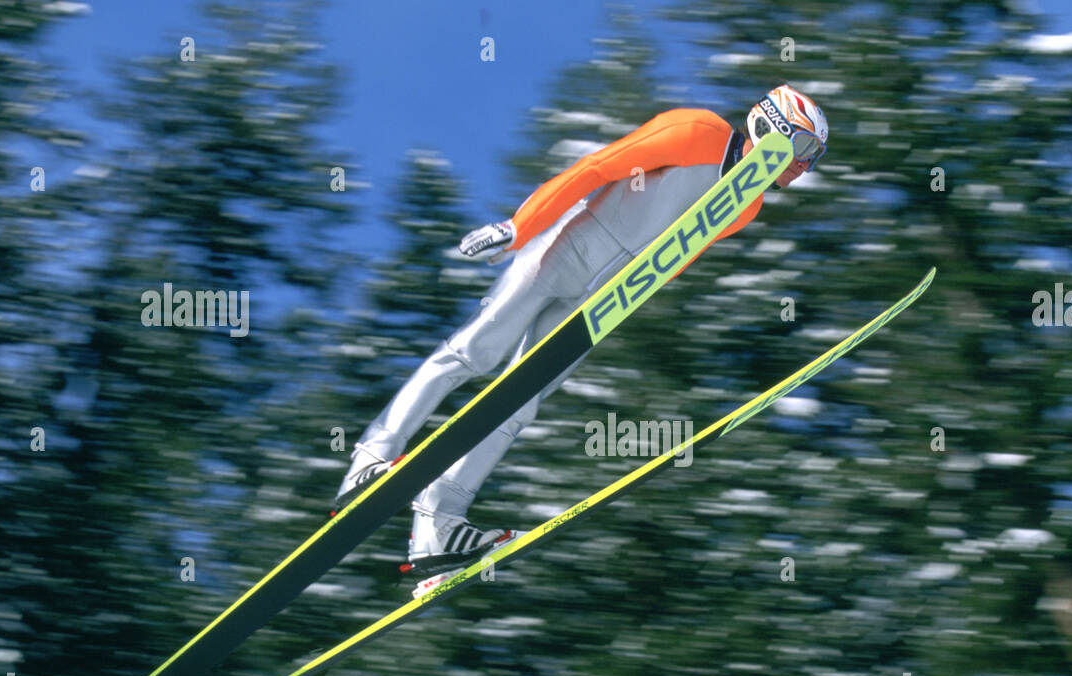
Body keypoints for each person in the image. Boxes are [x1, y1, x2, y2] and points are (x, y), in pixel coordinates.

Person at [336, 83, 829, 583]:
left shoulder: (744, 207)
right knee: (476, 350)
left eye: (813, 159)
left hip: (601, 298)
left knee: (519, 400)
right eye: (805, 151)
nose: (803, 168)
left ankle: (438, 524)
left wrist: (617, 306)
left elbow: (674, 259)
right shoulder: (698, 132)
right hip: (568, 246)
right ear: (774, 127)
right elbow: (598, 167)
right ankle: (372, 456)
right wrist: (518, 227)